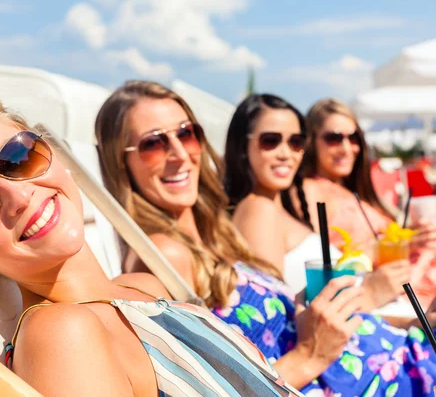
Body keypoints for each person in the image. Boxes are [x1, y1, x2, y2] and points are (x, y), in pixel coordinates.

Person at [0, 82, 303, 397]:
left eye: (17, 157)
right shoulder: (60, 335)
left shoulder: (145, 291)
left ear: (52, 153)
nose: (18, 196)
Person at [96, 80, 436, 396]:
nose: (180, 154)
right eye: (153, 143)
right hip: (391, 380)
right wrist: (309, 355)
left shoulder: (215, 235)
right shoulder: (164, 255)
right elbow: (213, 389)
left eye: (187, 133)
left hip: (399, 360)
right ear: (120, 162)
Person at [223, 93, 408, 309]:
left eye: (295, 142)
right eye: (271, 141)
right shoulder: (259, 209)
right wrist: (368, 295)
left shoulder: (278, 208)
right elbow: (270, 315)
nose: (286, 154)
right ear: (242, 146)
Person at [300, 98, 436, 306]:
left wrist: (411, 236)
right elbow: (318, 260)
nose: (347, 148)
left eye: (353, 138)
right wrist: (386, 247)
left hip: (413, 293)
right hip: (391, 304)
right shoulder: (311, 191)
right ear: (311, 142)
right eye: (333, 138)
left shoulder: (357, 192)